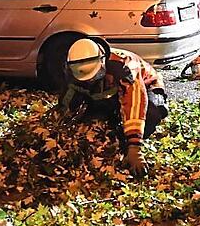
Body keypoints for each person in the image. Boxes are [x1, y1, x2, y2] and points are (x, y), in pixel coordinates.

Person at [61, 36, 169, 177]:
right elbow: (68, 95)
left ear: (102, 61)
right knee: (101, 116)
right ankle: (116, 128)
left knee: (152, 113)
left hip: (147, 85)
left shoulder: (125, 67)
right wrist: (64, 118)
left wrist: (134, 146)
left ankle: (127, 145)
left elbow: (135, 104)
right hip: (111, 87)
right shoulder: (73, 66)